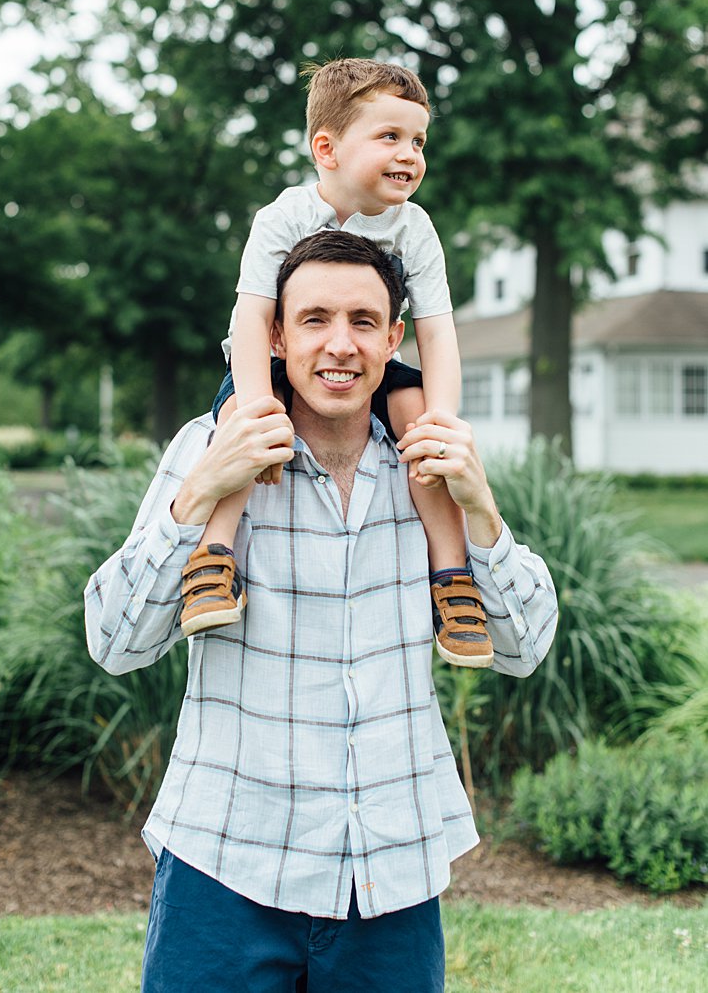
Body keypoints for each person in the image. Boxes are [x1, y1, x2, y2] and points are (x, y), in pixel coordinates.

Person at [85, 231, 559, 992]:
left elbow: (526, 646)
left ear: (396, 338)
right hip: (226, 863)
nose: (340, 345)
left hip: (390, 874)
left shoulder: (434, 463)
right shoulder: (212, 448)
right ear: (274, 334)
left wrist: (484, 512)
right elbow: (113, 640)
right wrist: (200, 490)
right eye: (314, 319)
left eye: (364, 322)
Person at [182, 59, 494, 670]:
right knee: (240, 432)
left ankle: (453, 578)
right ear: (326, 148)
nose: (409, 153)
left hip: (373, 369)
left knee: (421, 424)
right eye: (390, 137)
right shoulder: (284, 218)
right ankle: (214, 558)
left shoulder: (415, 228)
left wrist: (444, 421)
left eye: (418, 140)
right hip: (277, 365)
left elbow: (436, 331)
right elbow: (250, 319)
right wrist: (254, 409)